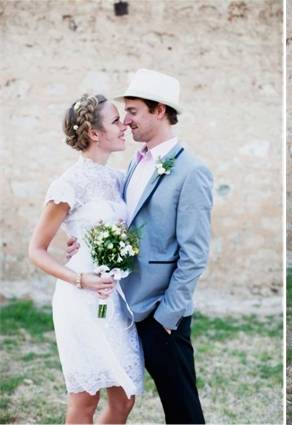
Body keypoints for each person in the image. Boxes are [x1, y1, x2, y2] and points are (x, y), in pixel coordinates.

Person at [67, 69, 213, 424]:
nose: (126, 120)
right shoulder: (136, 161)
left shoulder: (192, 171)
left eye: (132, 111)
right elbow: (120, 218)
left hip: (161, 313)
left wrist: (167, 316)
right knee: (119, 397)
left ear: (159, 110)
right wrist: (82, 241)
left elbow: (195, 254)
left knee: (183, 411)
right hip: (121, 307)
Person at [28, 93, 144, 424]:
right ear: (94, 133)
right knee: (85, 399)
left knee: (125, 397)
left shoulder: (118, 179)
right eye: (116, 121)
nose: (124, 126)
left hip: (115, 299)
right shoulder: (68, 184)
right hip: (80, 300)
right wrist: (81, 279)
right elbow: (36, 250)